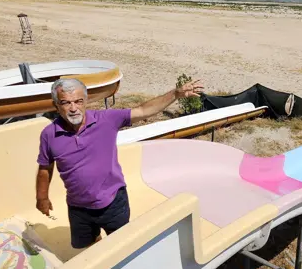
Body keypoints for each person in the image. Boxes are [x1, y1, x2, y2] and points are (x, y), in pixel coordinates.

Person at [36, 76, 204, 249]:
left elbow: (142, 110)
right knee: (90, 248)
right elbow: (45, 167)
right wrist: (42, 197)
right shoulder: (49, 134)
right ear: (56, 105)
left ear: (86, 101)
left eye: (78, 101)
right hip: (78, 207)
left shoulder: (106, 120)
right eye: (66, 103)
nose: (73, 108)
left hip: (113, 203)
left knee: (121, 246)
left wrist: (175, 94)